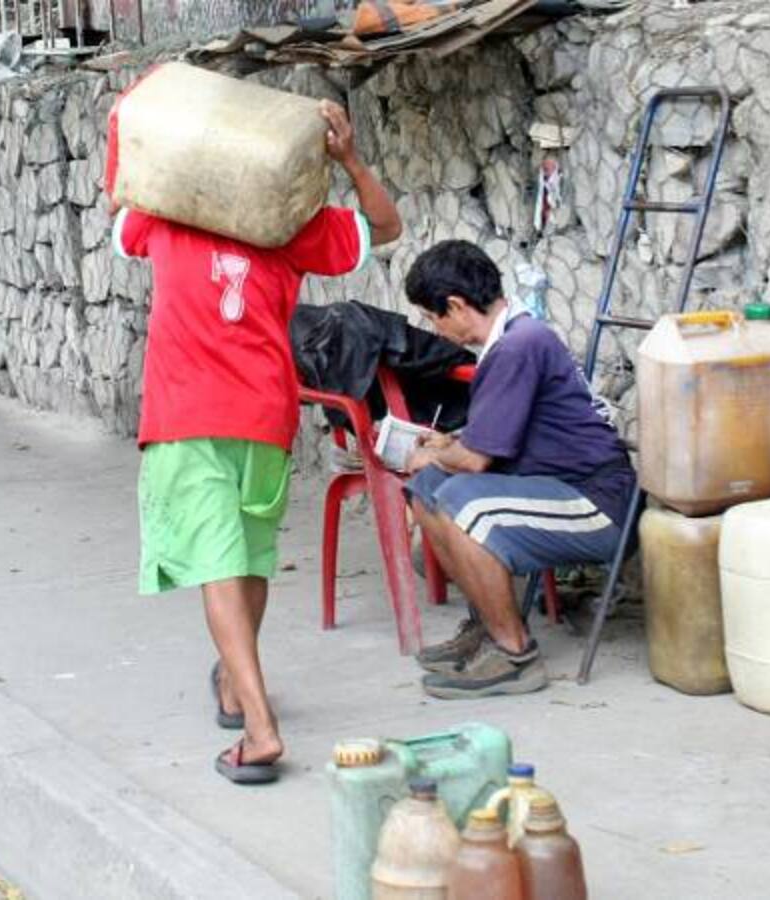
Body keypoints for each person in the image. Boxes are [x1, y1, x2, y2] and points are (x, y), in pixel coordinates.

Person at [112, 100, 401, 784]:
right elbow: (385, 227)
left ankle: (261, 726)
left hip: (188, 412)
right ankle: (235, 686)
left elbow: (123, 196)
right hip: (264, 410)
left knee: (217, 566)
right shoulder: (289, 225)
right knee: (248, 561)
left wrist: (147, 120)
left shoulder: (165, 211)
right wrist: (348, 158)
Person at [403, 240, 635, 698]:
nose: (435, 327)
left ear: (456, 305)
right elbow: (487, 438)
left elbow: (475, 460)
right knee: (427, 487)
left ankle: (513, 653)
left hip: (598, 502)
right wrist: (445, 448)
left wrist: (435, 451)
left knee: (456, 495)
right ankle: (487, 626)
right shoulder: (513, 340)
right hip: (557, 489)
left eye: (434, 317)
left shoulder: (517, 346)